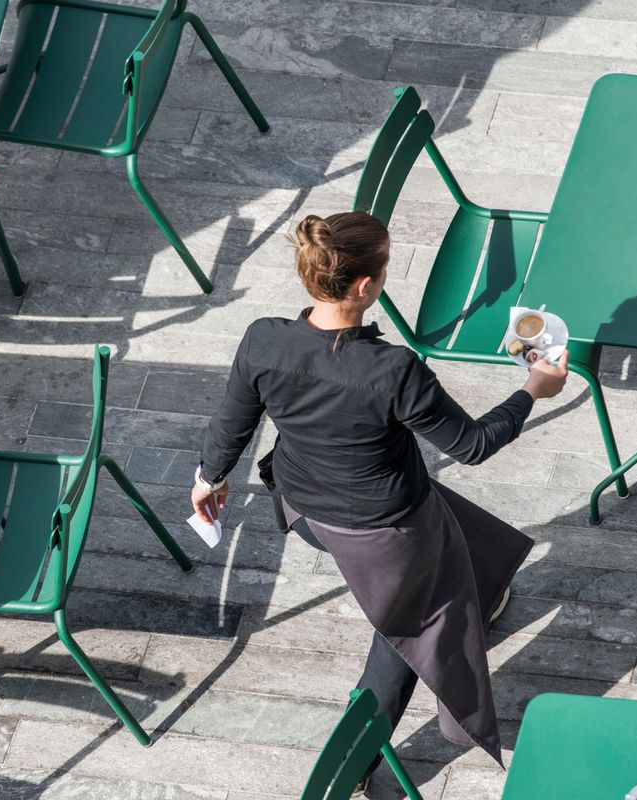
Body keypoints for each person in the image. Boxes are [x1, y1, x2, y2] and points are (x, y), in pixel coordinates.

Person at [191, 212, 569, 780]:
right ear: (366, 286)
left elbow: (233, 419)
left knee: (461, 538)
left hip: (303, 507)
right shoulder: (392, 369)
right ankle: (357, 767)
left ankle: (478, 600)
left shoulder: (264, 338)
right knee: (402, 645)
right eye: (386, 265)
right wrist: (532, 391)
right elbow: (470, 446)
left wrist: (209, 476)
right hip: (388, 534)